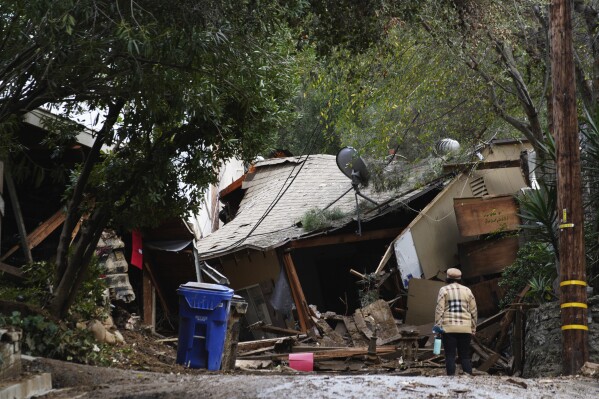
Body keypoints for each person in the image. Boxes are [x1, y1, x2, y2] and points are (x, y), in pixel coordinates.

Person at [434, 267, 478, 376]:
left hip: (448, 328)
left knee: (450, 355)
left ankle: (451, 380)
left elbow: (439, 310)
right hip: (465, 328)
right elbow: (474, 311)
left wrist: (437, 326)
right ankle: (468, 378)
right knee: (465, 356)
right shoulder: (467, 290)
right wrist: (473, 327)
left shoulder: (444, 290)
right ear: (460, 278)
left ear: (447, 278)